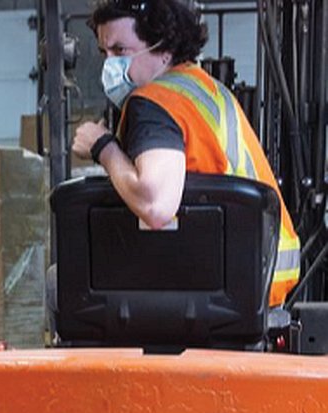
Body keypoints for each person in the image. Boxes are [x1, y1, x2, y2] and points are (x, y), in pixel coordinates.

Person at [72, 0, 299, 306]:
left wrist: (103, 147)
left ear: (163, 48)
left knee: (62, 283)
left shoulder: (154, 102)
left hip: (225, 284)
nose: (109, 65)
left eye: (120, 51)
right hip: (255, 274)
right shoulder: (205, 87)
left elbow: (155, 206)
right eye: (105, 53)